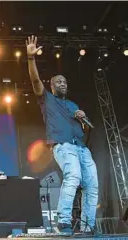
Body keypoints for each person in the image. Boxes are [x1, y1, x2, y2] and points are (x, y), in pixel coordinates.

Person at [26, 36, 98, 234]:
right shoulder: (46, 99)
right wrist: (31, 58)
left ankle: (87, 226)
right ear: (52, 86)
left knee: (92, 186)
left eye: (65, 82)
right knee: (73, 176)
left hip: (82, 148)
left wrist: (83, 118)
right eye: (59, 82)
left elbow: (83, 129)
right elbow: (34, 80)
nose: (63, 84)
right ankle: (63, 221)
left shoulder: (73, 105)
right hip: (63, 146)